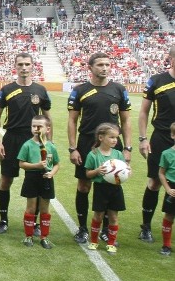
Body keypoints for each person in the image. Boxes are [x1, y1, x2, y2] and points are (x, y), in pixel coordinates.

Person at [67, 52, 132, 244]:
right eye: (100, 65)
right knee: (84, 185)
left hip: (112, 143)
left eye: (107, 64)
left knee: (110, 184)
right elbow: (72, 120)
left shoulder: (119, 90)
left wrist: (127, 147)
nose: (105, 68)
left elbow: (126, 120)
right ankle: (82, 228)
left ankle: (104, 230)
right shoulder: (80, 90)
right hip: (87, 142)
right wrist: (73, 148)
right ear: (90, 68)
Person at [0, 52, 52, 234]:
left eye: (27, 64)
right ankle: (3, 220)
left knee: (34, 181)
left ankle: (33, 223)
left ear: (33, 66)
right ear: (15, 66)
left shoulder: (41, 90)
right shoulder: (7, 89)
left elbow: (48, 118)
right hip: (11, 138)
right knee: (6, 180)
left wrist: (49, 143)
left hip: (35, 140)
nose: (24, 68)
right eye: (20, 64)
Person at [137, 45, 175, 243]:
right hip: (161, 138)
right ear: (170, 58)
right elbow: (144, 111)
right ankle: (146, 227)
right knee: (154, 183)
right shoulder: (157, 81)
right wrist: (143, 139)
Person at [17, 115, 60, 249]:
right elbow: (21, 164)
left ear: (48, 129)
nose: (36, 128)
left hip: (46, 179)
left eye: (39, 126)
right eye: (34, 126)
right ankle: (28, 236)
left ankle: (44, 237)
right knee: (31, 207)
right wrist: (36, 166)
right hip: (32, 178)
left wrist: (51, 173)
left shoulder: (51, 147)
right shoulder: (27, 145)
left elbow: (57, 164)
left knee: (44, 209)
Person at [84, 123, 127, 254]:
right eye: (112, 137)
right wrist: (97, 171)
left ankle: (111, 243)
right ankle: (94, 241)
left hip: (115, 189)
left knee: (113, 217)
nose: (115, 140)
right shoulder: (93, 154)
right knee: (98, 216)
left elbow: (124, 171)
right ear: (101, 138)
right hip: (101, 188)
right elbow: (88, 174)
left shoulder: (118, 154)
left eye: (116, 137)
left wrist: (127, 171)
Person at [157, 122, 175, 256]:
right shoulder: (167, 154)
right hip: (172, 189)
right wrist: (168, 189)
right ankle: (166, 245)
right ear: (173, 135)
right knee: (169, 216)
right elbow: (161, 173)